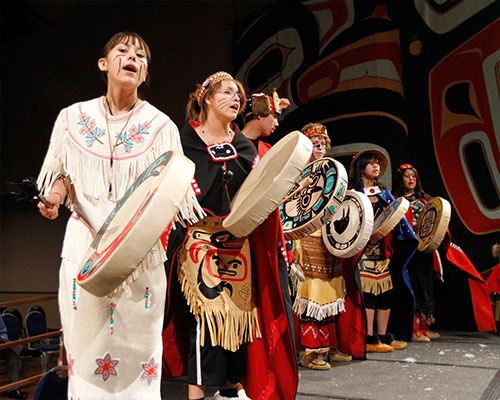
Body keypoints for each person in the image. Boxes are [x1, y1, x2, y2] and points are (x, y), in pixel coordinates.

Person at [37, 31, 199, 399]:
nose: (133, 57)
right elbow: (62, 174)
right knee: (85, 347)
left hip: (139, 252)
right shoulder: (71, 119)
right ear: (104, 63)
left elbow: (176, 193)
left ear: (145, 73)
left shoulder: (161, 127)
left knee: (138, 354)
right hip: (84, 247)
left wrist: (141, 231)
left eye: (141, 55)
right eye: (123, 50)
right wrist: (54, 196)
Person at [162, 72, 297, 400]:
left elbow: (257, 194)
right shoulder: (183, 141)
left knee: (238, 320)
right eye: (226, 92)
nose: (235, 98)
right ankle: (196, 394)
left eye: (238, 94)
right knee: (203, 320)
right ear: (205, 98)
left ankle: (229, 390)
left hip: (238, 246)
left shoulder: (243, 144)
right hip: (199, 243)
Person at [290, 123, 353, 370]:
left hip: (328, 237)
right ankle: (310, 350)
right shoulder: (297, 172)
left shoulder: (332, 173)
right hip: (304, 236)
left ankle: (328, 345)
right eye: (316, 144)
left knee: (330, 289)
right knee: (311, 292)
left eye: (324, 144)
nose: (321, 148)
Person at [349, 150, 416, 353]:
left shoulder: (384, 193)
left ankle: (382, 334)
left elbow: (397, 221)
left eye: (378, 163)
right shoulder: (353, 194)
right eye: (371, 163)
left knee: (385, 295)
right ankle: (368, 338)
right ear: (362, 167)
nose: (376, 166)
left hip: (383, 255)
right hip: (361, 254)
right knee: (368, 296)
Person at [394, 163, 438, 342]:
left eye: (414, 175)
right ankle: (413, 328)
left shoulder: (426, 201)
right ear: (401, 179)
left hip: (423, 251)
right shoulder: (396, 201)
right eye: (407, 175)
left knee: (424, 286)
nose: (411, 179)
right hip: (405, 251)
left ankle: (424, 327)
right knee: (410, 286)